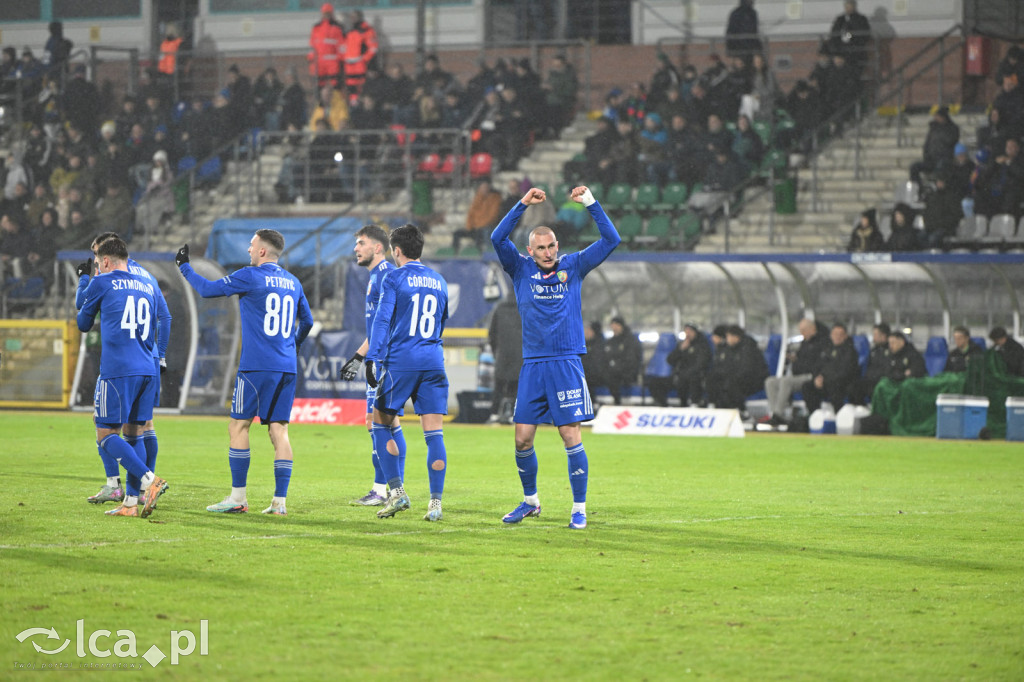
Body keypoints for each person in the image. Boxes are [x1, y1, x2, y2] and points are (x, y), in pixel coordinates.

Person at [491, 185, 621, 530]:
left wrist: (591, 202)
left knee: (569, 435)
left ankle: (579, 508)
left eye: (551, 246)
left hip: (565, 361)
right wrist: (521, 204)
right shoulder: (519, 269)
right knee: (521, 438)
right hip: (533, 364)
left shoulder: (574, 266)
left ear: (557, 247)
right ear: (529, 250)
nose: (547, 253)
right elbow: (497, 237)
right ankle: (531, 501)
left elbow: (611, 240)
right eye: (540, 248)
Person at [176, 229, 313, 516]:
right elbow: (308, 322)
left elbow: (207, 290)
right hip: (286, 366)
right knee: (280, 431)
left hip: (256, 367)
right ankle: (279, 502)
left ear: (263, 251)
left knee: (238, 426)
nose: (249, 251)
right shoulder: (293, 282)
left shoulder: (250, 276)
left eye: (252, 246)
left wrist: (184, 267)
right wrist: (293, 347)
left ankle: (238, 497)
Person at [76, 236, 168, 518]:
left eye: (97, 262)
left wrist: (84, 282)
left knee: (105, 432)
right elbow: (164, 318)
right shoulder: (146, 283)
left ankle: (150, 480)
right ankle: (130, 502)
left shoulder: (103, 281)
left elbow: (83, 323)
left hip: (118, 370)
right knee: (134, 433)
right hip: (147, 368)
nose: (96, 266)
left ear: (105, 261)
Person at [364, 223, 450, 521]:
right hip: (433, 361)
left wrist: (372, 358)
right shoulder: (439, 281)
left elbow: (382, 319)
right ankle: (435, 504)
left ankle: (397, 493)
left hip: (402, 361)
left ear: (396, 251)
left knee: (379, 421)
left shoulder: (393, 277)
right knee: (434, 433)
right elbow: (442, 322)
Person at [338, 225, 406, 507]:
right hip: (380, 358)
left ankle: (384, 490)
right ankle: (392, 489)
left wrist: (362, 357)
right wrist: (359, 356)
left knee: (375, 423)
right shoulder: (375, 277)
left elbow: (386, 327)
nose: (356, 248)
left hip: (385, 361)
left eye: (362, 243)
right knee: (390, 423)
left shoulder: (386, 276)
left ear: (378, 248)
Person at [763, 318, 829, 424]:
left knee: (785, 381)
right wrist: (794, 360)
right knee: (770, 382)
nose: (801, 333)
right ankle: (774, 413)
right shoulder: (805, 343)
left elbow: (816, 364)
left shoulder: (822, 343)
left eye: (804, 330)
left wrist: (800, 363)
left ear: (812, 329)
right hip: (799, 375)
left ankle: (778, 414)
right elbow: (800, 361)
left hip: (811, 376)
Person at [801, 323, 860, 414]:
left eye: (840, 334)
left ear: (845, 336)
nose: (837, 337)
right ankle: (815, 414)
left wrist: (826, 379)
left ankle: (838, 415)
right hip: (824, 382)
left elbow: (845, 372)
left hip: (841, 384)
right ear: (831, 335)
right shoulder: (826, 349)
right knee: (807, 387)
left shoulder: (850, 351)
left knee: (835, 387)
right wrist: (817, 377)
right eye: (835, 334)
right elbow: (817, 366)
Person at [706, 325, 767, 411]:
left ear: (736, 337)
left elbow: (747, 369)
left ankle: (740, 410)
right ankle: (718, 407)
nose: (727, 339)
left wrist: (730, 375)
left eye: (728, 337)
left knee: (730, 383)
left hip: (754, 379)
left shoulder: (748, 348)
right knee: (715, 380)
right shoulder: (731, 349)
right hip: (737, 377)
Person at [488, 297, 523, 424]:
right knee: (517, 387)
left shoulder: (500, 309)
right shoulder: (525, 309)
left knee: (499, 386)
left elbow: (492, 334)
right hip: (520, 355)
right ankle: (513, 415)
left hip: (502, 355)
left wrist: (495, 352)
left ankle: (494, 414)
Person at [909, 106, 959, 189]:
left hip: (945, 160)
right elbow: (927, 144)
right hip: (931, 160)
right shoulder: (933, 129)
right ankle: (918, 188)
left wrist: (942, 129)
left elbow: (950, 141)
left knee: (941, 167)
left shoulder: (952, 128)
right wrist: (926, 155)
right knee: (914, 167)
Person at [667, 322, 713, 407]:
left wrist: (689, 372)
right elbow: (670, 360)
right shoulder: (682, 344)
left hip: (696, 373)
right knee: (660, 381)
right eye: (686, 331)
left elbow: (702, 362)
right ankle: (681, 404)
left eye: (690, 331)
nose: (688, 334)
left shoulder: (702, 344)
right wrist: (680, 350)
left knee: (693, 379)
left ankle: (695, 403)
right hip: (682, 373)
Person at [453, 179, 502, 255]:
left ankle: (480, 254)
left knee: (482, 232)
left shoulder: (495, 198)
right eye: (482, 187)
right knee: (456, 233)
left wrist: (480, 225)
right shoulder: (477, 198)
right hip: (474, 227)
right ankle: (454, 253)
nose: (484, 189)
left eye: (485, 187)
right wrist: (469, 227)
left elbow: (493, 216)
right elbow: (470, 214)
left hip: (486, 227)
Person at [848, 322, 890, 405]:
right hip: (869, 380)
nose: (873, 338)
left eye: (875, 335)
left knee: (870, 388)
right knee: (852, 386)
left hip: (881, 381)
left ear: (883, 336)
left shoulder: (890, 351)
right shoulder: (874, 351)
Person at [604, 316, 642, 405]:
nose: (614, 328)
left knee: (612, 377)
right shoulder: (610, 342)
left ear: (622, 326)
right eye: (612, 325)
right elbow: (604, 357)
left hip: (627, 372)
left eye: (616, 325)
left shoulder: (630, 340)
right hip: (613, 371)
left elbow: (632, 359)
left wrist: (617, 366)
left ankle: (617, 403)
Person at [829, 0, 871, 77]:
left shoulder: (861, 19)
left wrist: (853, 37)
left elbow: (865, 35)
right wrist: (836, 53)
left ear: (854, 7)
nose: (848, 9)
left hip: (856, 52)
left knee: (854, 76)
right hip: (841, 52)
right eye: (847, 7)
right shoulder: (840, 19)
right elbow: (834, 36)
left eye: (850, 7)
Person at [309, 3, 345, 89]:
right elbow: (312, 45)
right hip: (319, 63)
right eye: (325, 13)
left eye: (328, 13)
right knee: (318, 86)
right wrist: (311, 59)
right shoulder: (316, 27)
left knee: (336, 86)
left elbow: (341, 46)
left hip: (333, 63)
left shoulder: (337, 27)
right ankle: (320, 102)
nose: (326, 15)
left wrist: (341, 60)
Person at [342, 10, 378, 94]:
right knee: (351, 89)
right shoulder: (350, 32)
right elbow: (345, 48)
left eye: (355, 17)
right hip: (349, 66)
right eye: (352, 17)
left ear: (360, 17)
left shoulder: (367, 30)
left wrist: (364, 60)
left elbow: (373, 48)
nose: (353, 19)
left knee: (364, 88)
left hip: (361, 65)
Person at [581, 321, 606, 406]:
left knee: (587, 380)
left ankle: (591, 404)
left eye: (589, 330)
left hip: (596, 375)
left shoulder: (600, 345)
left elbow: (597, 364)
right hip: (587, 373)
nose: (586, 332)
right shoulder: (583, 344)